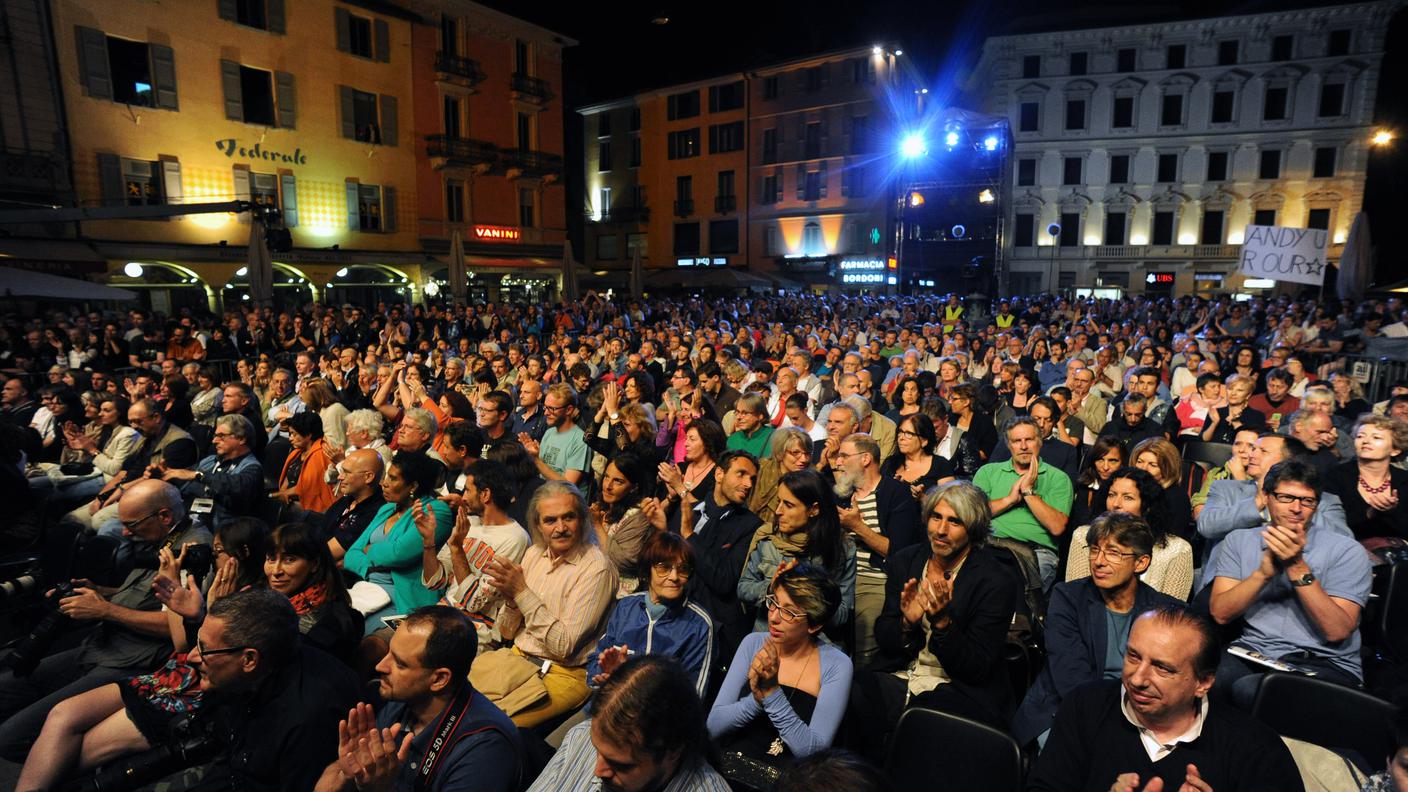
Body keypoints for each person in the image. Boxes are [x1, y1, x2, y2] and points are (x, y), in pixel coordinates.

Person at [0, 480, 212, 760]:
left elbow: (178, 628)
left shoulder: (192, 553)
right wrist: (102, 592)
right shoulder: (161, 540)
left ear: (164, 515)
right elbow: (146, 596)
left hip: (133, 660)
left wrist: (106, 610)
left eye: (133, 524)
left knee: (11, 738)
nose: (125, 532)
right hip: (101, 644)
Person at [1027, 606, 1304, 792]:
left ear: (1203, 682)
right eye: (1133, 656)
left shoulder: (1255, 749)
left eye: (1162, 668)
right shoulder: (1085, 707)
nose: (1137, 679)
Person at [847, 482, 1021, 760]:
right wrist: (906, 623)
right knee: (851, 691)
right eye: (936, 517)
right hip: (902, 674)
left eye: (954, 522)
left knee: (924, 718)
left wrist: (943, 624)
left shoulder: (996, 580)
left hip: (960, 688)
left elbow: (977, 667)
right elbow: (885, 637)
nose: (941, 530)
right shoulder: (907, 561)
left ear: (973, 529)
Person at [1208, 459, 1373, 705]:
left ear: (1316, 506)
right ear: (1266, 496)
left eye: (1307, 500)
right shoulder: (1239, 541)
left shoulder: (1347, 551)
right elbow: (1220, 614)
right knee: (1203, 682)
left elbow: (1337, 631)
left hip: (1325, 662)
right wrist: (1262, 574)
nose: (1297, 508)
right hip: (1255, 652)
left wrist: (1296, 566)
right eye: (1286, 497)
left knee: (1254, 691)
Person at [1014, 512, 1182, 747]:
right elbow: (1072, 679)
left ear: (1141, 563)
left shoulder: (1165, 610)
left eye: (1113, 553)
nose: (1099, 561)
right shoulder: (1068, 598)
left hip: (1141, 714)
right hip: (1066, 708)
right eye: (1094, 550)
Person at [314, 607, 522, 792]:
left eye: (400, 664)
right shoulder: (403, 700)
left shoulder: (485, 753)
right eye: (389, 653)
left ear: (439, 679)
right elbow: (356, 769)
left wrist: (380, 789)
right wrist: (346, 772)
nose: (380, 667)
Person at [183, 588, 362, 791]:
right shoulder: (261, 664)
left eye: (204, 648)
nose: (192, 656)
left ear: (249, 659)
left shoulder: (307, 721)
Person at [475, 481, 618, 728]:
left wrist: (521, 592)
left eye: (568, 518)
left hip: (562, 674)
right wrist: (512, 602)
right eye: (550, 520)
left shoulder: (597, 568)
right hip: (515, 658)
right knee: (455, 704)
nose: (560, 528)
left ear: (582, 520)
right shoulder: (533, 555)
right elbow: (507, 632)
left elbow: (563, 647)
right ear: (538, 526)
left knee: (491, 726)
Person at [708, 565, 853, 781]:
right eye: (773, 602)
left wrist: (773, 693)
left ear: (813, 625)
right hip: (729, 770)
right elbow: (712, 726)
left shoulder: (836, 664)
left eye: (788, 612)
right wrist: (756, 700)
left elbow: (815, 755)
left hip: (788, 781)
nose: (774, 617)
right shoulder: (753, 643)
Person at [528, 655, 730, 792]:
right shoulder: (580, 738)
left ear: (672, 752)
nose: (598, 771)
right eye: (597, 749)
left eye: (620, 765)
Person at [653, 449, 762, 672]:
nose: (748, 484)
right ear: (719, 474)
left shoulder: (751, 526)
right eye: (741, 474)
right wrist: (662, 533)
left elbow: (723, 580)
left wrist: (690, 536)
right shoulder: (688, 511)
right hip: (669, 618)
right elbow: (664, 566)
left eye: (752, 478)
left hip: (710, 631)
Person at [1196, 432, 1349, 571]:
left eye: (1263, 451)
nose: (1251, 455)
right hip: (1230, 578)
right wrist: (1258, 502)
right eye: (1253, 449)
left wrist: (1305, 504)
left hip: (1296, 579)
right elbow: (1207, 526)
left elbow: (1345, 543)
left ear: (1288, 462)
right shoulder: (1227, 489)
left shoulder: (1326, 501)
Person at [586, 532, 716, 696]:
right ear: (648, 570)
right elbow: (595, 660)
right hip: (607, 706)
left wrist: (628, 681)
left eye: (683, 569)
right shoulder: (626, 607)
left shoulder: (699, 625)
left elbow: (691, 698)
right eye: (664, 568)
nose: (674, 577)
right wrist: (606, 675)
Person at [420, 458, 531, 646]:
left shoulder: (515, 538)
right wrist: (428, 542)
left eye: (468, 490)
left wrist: (457, 550)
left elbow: (475, 602)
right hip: (444, 617)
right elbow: (435, 581)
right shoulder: (469, 524)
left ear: (485, 494)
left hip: (475, 633)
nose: (462, 497)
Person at [833, 433, 923, 666]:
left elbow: (897, 551)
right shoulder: (841, 495)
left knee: (863, 655)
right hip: (837, 578)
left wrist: (857, 526)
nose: (838, 462)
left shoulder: (896, 493)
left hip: (873, 579)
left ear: (865, 459)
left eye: (844, 456)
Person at [344, 451, 455, 634]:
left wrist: (369, 550)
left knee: (368, 645)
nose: (384, 483)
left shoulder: (434, 510)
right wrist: (372, 567)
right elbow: (351, 555)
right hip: (366, 589)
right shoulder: (386, 509)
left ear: (413, 486)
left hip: (402, 600)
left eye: (393, 478)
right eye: (387, 475)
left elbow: (400, 554)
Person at [738, 469, 856, 633]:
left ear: (814, 509)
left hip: (817, 645)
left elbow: (843, 613)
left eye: (788, 505)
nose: (778, 511)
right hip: (768, 636)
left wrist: (807, 596)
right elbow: (743, 588)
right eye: (779, 501)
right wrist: (771, 588)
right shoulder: (768, 539)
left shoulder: (842, 548)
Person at [973, 416, 1074, 589]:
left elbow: (1057, 527)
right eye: (1017, 441)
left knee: (1011, 593)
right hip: (989, 545)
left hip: (1034, 552)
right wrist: (1010, 499)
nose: (1024, 446)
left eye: (1029, 440)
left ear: (1040, 442)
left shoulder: (1058, 478)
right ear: (1009, 445)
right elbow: (972, 515)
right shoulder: (988, 471)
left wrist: (1028, 492)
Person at [1065, 468, 1195, 600]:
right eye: (1112, 495)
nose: (1116, 504)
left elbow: (1171, 612)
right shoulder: (1083, 536)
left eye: (1128, 497)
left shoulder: (1177, 550)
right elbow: (1075, 596)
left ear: (1147, 505)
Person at [159, 413, 264, 531]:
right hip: (195, 522)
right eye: (215, 436)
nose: (214, 440)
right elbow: (186, 482)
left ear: (241, 439)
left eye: (221, 436)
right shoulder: (210, 461)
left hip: (229, 531)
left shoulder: (252, 467)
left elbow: (238, 485)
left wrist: (200, 476)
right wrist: (166, 476)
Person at [1324, 414, 1408, 540]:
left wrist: (1392, 512)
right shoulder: (1335, 476)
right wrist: (1371, 513)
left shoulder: (1405, 480)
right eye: (1360, 436)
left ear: (1395, 450)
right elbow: (1331, 526)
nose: (1366, 441)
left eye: (1376, 437)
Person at [588, 452, 657, 596]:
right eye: (607, 477)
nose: (608, 486)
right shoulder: (602, 506)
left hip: (618, 594)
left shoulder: (639, 516)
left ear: (633, 487)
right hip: (592, 579)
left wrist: (596, 525)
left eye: (618, 481)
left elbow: (622, 560)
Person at [323, 449, 387, 564]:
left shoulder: (375, 511)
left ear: (368, 477)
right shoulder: (348, 499)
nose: (340, 477)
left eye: (346, 473)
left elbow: (327, 554)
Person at [522, 383, 593, 485]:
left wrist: (536, 460)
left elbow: (569, 484)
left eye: (552, 408)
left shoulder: (580, 441)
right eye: (545, 407)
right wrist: (532, 455)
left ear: (569, 410)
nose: (546, 413)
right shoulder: (549, 432)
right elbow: (543, 471)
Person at [749, 427, 815, 528]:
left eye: (807, 453)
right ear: (780, 453)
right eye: (796, 453)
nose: (804, 459)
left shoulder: (813, 478)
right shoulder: (761, 468)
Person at [272, 411, 336, 515]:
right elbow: (285, 481)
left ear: (308, 435)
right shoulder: (295, 453)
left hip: (313, 512)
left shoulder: (321, 454)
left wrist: (280, 494)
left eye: (294, 434)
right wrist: (282, 495)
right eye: (290, 434)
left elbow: (308, 487)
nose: (290, 438)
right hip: (290, 504)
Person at [1129, 437, 1192, 540]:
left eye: (1153, 465)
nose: (1143, 468)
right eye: (1140, 462)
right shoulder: (1129, 488)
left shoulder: (1176, 497)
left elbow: (1171, 539)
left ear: (1167, 469)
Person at [880, 413, 954, 499]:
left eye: (908, 434)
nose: (901, 438)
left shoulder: (941, 465)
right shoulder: (890, 463)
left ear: (924, 441)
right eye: (900, 432)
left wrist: (922, 498)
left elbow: (949, 504)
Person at [1068, 436, 1125, 531]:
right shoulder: (1085, 485)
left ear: (1122, 462)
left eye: (1112, 461)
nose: (1105, 467)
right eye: (1100, 460)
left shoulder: (1128, 489)